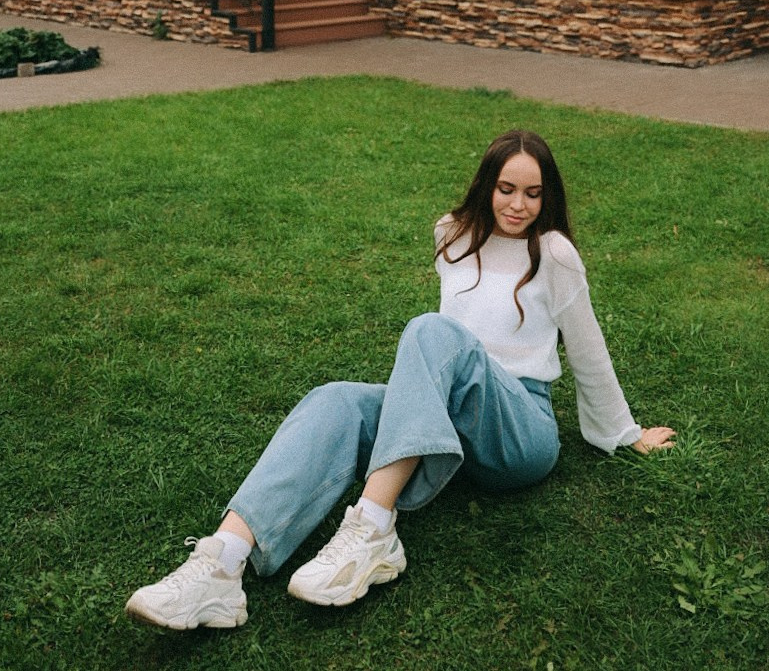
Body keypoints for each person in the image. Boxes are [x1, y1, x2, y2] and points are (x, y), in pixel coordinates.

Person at [125, 129, 675, 630]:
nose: (518, 205)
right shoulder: (451, 235)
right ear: (487, 186)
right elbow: (444, 347)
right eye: (507, 188)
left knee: (433, 333)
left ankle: (372, 528)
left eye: (533, 193)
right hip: (452, 417)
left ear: (546, 196)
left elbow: (587, 348)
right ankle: (219, 565)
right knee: (334, 400)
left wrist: (623, 433)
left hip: (520, 431)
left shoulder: (553, 252)